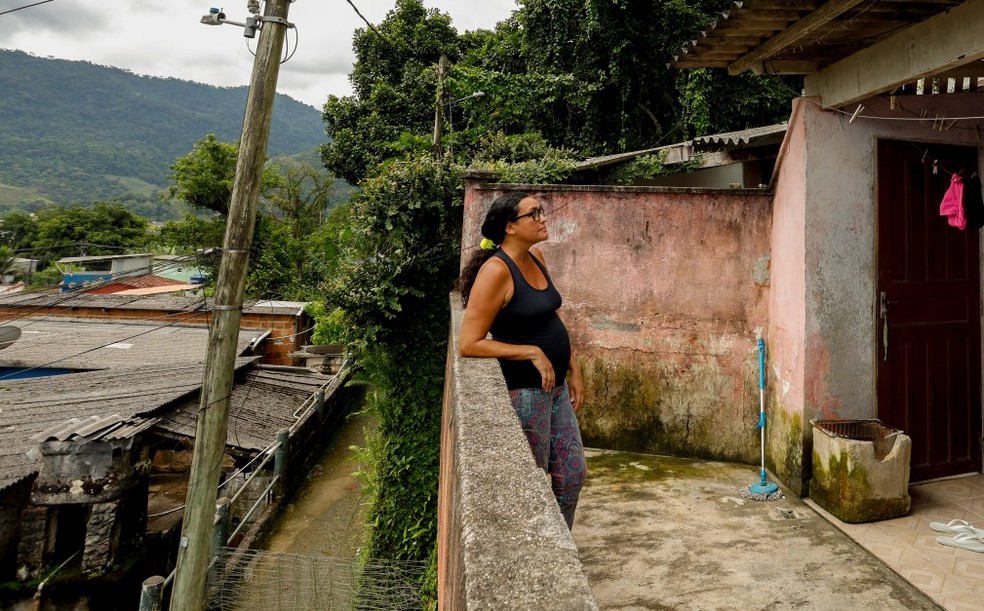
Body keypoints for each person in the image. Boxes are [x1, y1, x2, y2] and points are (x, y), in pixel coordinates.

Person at [457, 191, 586, 529]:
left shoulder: (537, 257)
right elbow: (468, 343)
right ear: (510, 227)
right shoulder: (496, 271)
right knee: (531, 478)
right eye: (533, 214)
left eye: (541, 211)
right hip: (525, 392)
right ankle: (536, 542)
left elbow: (549, 316)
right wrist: (530, 351)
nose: (543, 218)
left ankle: (560, 543)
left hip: (555, 388)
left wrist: (573, 365)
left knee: (572, 475)